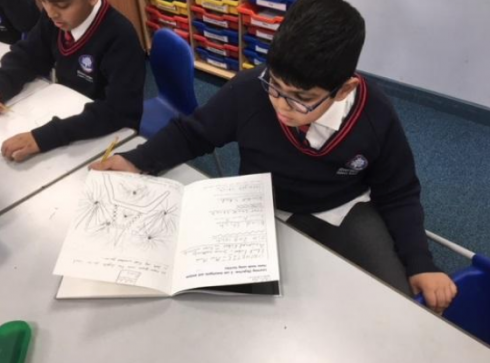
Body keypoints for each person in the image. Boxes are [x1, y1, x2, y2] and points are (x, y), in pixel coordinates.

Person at [91, 0, 457, 313]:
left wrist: (421, 264)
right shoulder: (250, 90)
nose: (281, 105)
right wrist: (136, 160)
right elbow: (193, 133)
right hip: (262, 206)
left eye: (300, 97)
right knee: (248, 308)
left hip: (344, 208)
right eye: (275, 86)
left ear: (343, 89)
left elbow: (399, 192)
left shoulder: (376, 114)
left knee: (391, 304)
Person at [0, 0, 145, 162]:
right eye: (44, 2)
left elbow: (119, 111)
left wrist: (45, 137)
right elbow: (27, 56)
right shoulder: (54, 20)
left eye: (62, 5)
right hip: (68, 115)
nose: (51, 13)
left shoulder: (120, 36)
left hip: (108, 136)